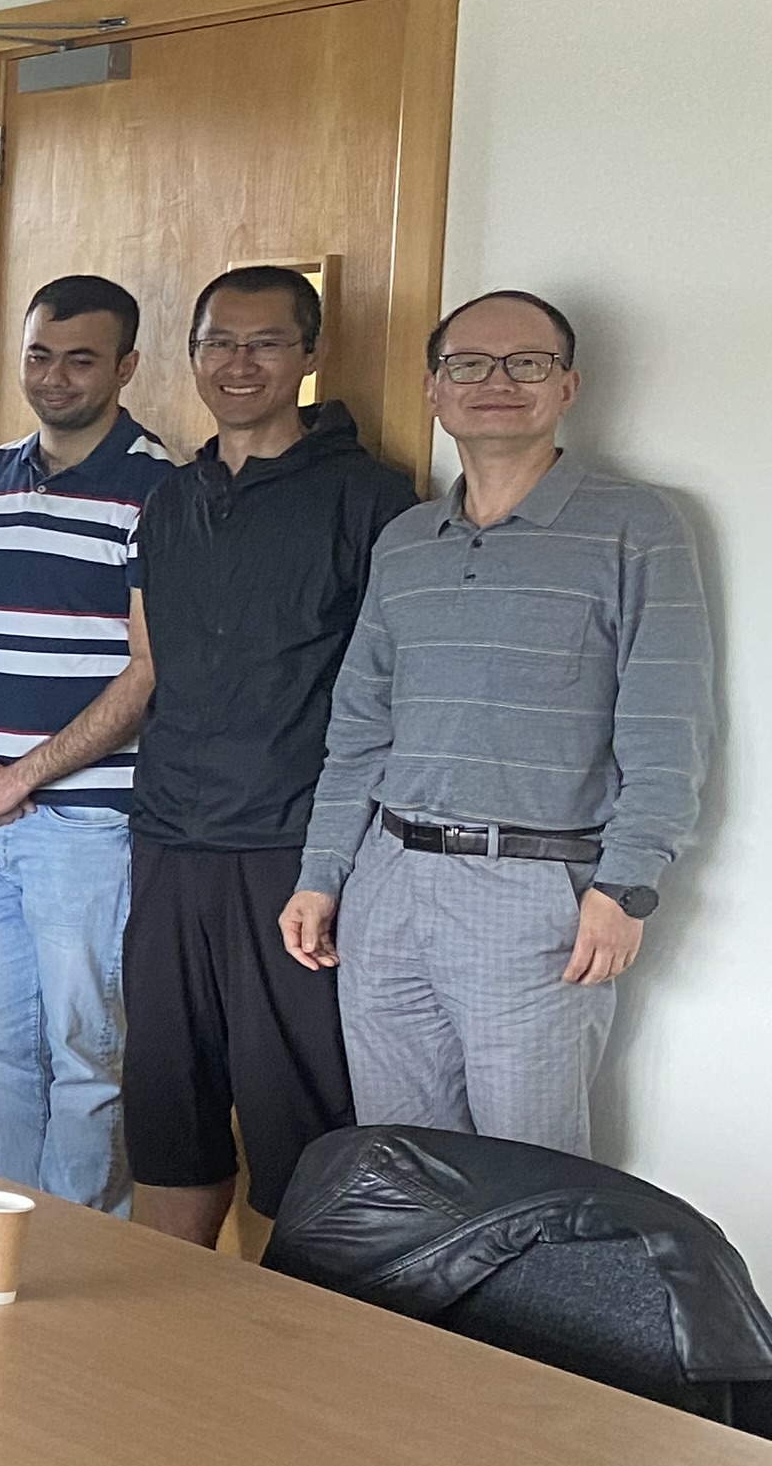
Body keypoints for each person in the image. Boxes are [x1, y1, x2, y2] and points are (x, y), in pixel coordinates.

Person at [285, 293, 708, 1161]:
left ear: (568, 386)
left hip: (536, 894)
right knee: (404, 1167)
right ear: (435, 390)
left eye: (528, 363)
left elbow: (669, 729)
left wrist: (627, 886)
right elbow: (360, 730)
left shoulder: (637, 528)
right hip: (388, 886)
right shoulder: (407, 541)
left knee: (528, 1173)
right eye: (469, 364)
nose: (497, 381)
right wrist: (323, 875)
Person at [123, 267, 418, 1245]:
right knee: (168, 1111)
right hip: (168, 840)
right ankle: (170, 1322)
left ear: (310, 355)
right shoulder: (171, 498)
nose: (238, 363)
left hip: (295, 855)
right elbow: (149, 667)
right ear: (192, 354)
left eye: (265, 343)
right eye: (219, 342)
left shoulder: (372, 497)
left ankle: (287, 1333)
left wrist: (337, 860)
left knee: (299, 1124)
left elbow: (394, 690)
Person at [0, 278, 177, 1212]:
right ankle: (9, 1237)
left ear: (126, 367)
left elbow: (150, 672)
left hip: (88, 823)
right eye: (40, 355)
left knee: (88, 1055)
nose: (55, 376)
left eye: (82, 359)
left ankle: (83, 1250)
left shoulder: (157, 486)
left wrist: (19, 778)